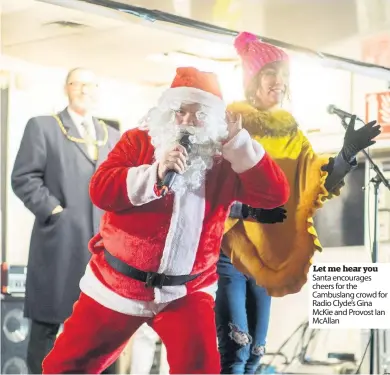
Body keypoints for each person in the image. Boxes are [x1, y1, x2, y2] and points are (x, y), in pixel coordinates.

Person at [41, 66, 290, 374]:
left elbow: (274, 195)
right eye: (179, 111)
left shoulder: (226, 160)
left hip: (185, 293)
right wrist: (155, 173)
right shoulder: (138, 141)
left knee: (200, 369)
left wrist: (239, 142)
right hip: (118, 285)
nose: (186, 121)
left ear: (213, 121)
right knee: (64, 367)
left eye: (198, 115)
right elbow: (101, 189)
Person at [216, 31, 382, 374]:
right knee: (237, 354)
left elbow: (316, 182)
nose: (279, 82)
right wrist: (247, 210)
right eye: (270, 74)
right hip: (231, 252)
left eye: (284, 76)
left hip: (268, 257)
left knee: (258, 353)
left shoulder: (290, 129)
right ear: (253, 79)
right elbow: (211, 189)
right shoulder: (230, 122)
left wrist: (346, 156)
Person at [11, 67, 121, 374]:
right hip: (59, 243)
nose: (85, 89)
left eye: (91, 84)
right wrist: (53, 211)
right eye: (78, 83)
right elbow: (23, 177)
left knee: (105, 327)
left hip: (101, 249)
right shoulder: (44, 127)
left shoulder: (112, 136)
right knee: (47, 326)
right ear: (66, 88)